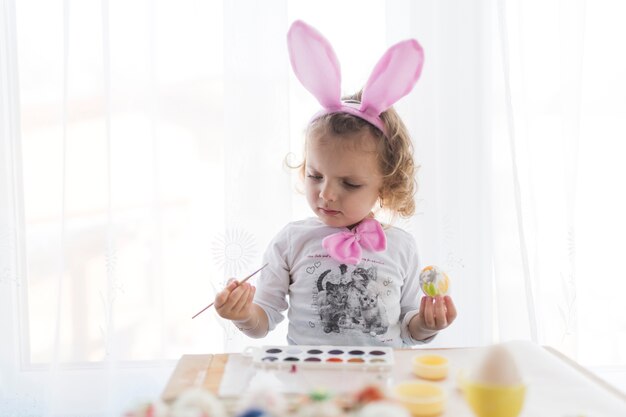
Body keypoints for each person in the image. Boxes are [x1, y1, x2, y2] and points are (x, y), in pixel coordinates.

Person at [214, 20, 457, 347]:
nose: (326, 194)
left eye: (351, 183)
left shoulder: (401, 247)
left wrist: (428, 324)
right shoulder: (291, 241)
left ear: (384, 187)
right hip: (310, 383)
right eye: (315, 176)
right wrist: (243, 313)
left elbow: (411, 327)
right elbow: (263, 320)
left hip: (381, 385)